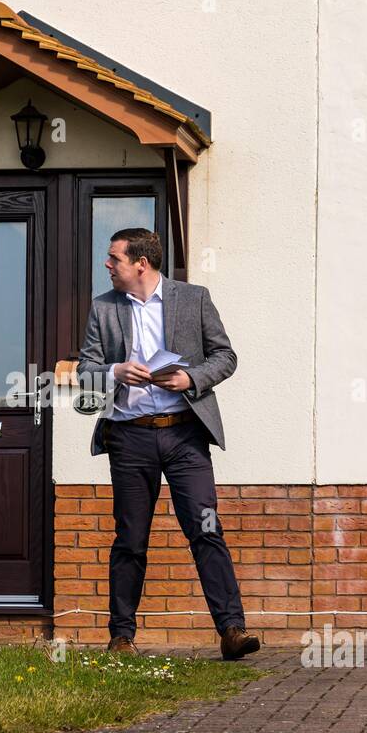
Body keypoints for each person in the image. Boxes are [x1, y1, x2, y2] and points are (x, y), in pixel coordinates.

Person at [76, 228, 259, 661]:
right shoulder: (104, 307)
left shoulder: (193, 299)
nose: (107, 265)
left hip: (184, 434)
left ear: (141, 263)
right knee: (130, 540)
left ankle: (232, 631)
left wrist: (191, 378)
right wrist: (115, 371)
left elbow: (225, 356)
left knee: (206, 529)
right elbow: (86, 368)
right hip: (129, 435)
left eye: (114, 258)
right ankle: (121, 638)